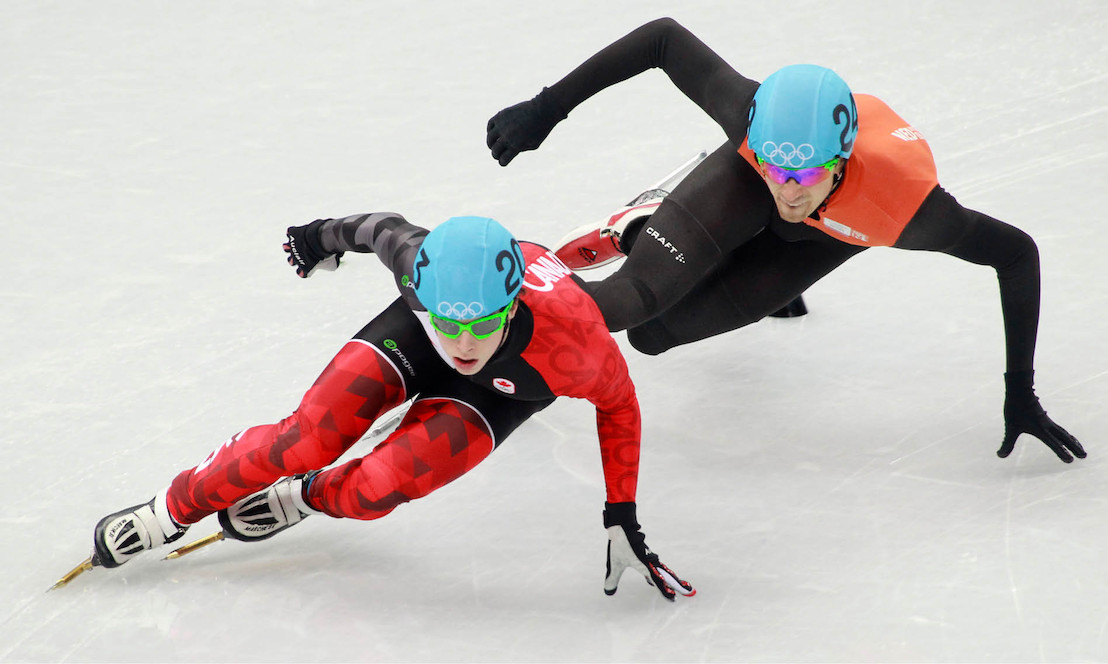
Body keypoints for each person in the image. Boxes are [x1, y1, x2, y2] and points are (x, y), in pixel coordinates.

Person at [485, 17, 1085, 464]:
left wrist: (1020, 392)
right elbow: (663, 40)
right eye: (777, 166)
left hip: (832, 234)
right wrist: (547, 109)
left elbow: (1017, 253)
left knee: (651, 337)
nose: (788, 188)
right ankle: (632, 240)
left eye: (803, 174)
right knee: (636, 298)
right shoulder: (755, 123)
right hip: (740, 181)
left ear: (843, 160)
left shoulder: (909, 208)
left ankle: (673, 230)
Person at [85, 214, 694, 601]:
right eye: (449, 321)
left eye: (479, 325)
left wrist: (622, 513)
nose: (461, 343)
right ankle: (170, 507)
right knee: (307, 438)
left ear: (510, 308)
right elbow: (380, 228)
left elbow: (620, 409)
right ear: (424, 295)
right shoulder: (420, 268)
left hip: (507, 389)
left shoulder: (575, 343)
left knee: (376, 488)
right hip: (411, 337)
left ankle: (307, 496)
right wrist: (318, 237)